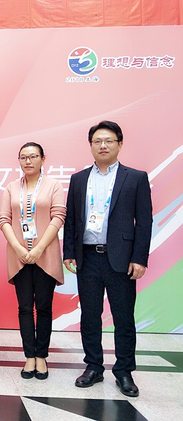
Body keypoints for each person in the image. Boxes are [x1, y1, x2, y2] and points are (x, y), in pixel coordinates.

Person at [63, 121, 152, 397]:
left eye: (109, 141)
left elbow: (144, 221)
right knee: (90, 316)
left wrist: (139, 258)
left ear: (119, 144)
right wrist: (69, 252)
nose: (103, 145)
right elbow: (72, 219)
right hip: (88, 257)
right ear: (91, 145)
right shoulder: (79, 179)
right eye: (97, 141)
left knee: (123, 317)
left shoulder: (135, 177)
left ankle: (124, 371)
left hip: (121, 259)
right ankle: (93, 367)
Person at [0, 142, 66, 380]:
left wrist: (38, 249)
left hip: (45, 255)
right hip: (19, 257)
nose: (28, 161)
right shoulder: (11, 187)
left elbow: (58, 217)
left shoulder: (53, 185)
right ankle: (29, 356)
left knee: (44, 308)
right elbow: (4, 219)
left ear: (42, 159)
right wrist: (18, 248)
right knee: (25, 308)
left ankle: (41, 356)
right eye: (23, 157)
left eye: (33, 156)